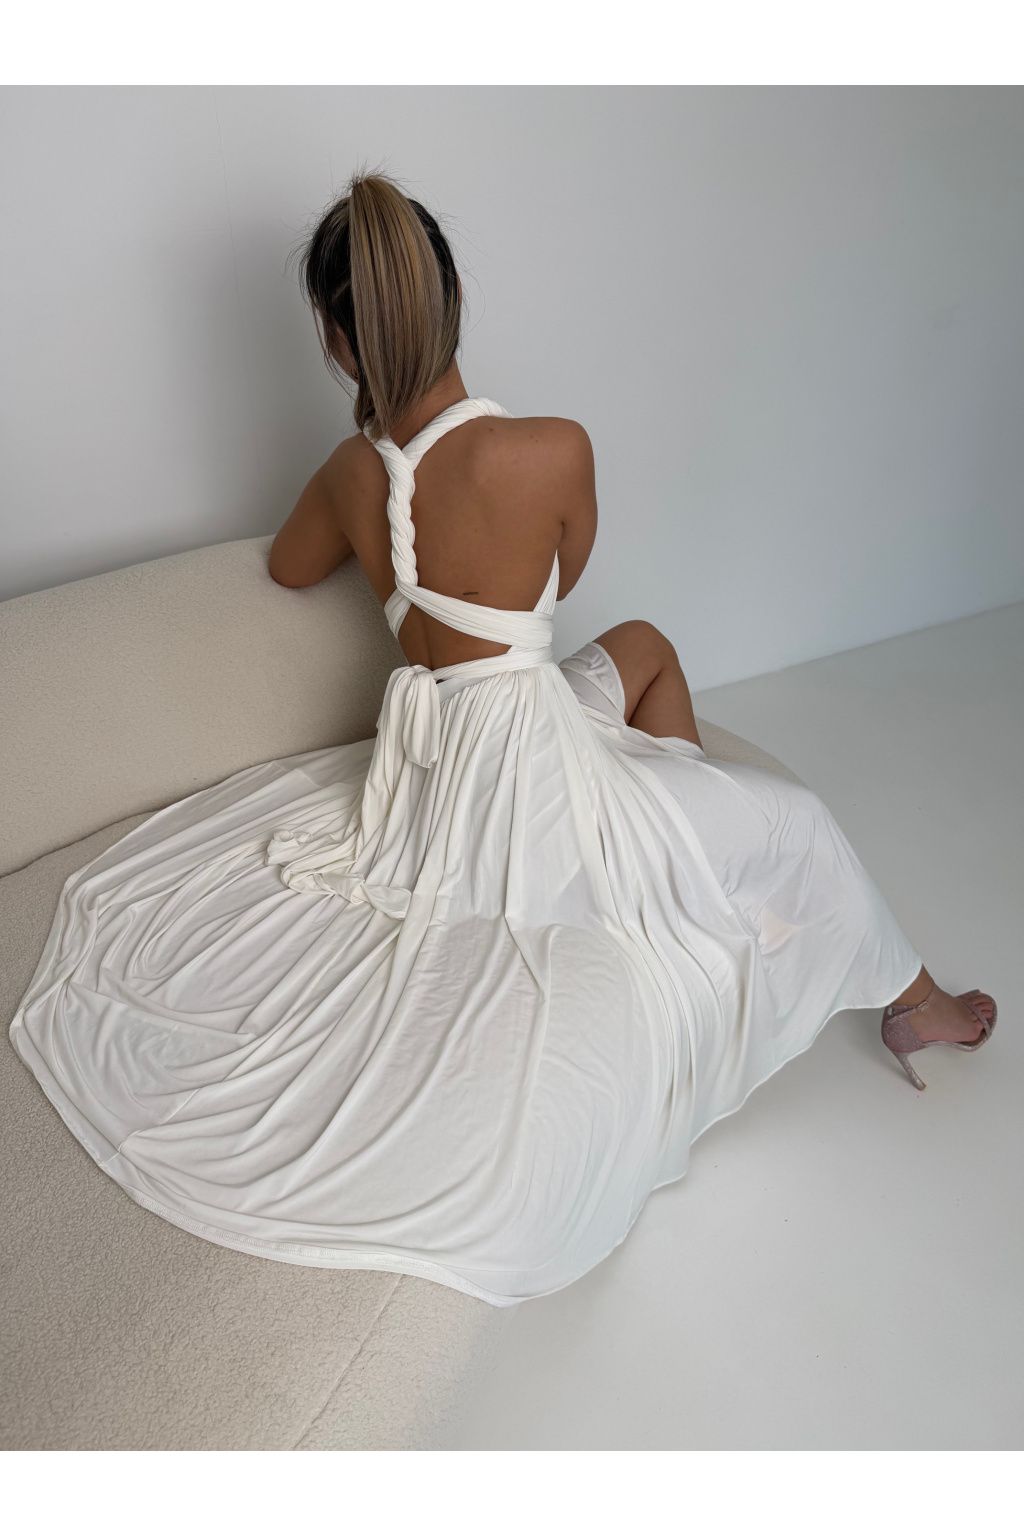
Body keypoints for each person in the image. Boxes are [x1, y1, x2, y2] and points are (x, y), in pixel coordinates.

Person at [9, 171, 997, 1309]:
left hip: (437, 763)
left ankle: (692, 860)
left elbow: (287, 568)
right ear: (453, 298)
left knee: (645, 646)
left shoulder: (347, 477)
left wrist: (372, 496)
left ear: (337, 339)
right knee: (803, 822)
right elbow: (561, 577)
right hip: (524, 761)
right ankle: (904, 997)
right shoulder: (552, 449)